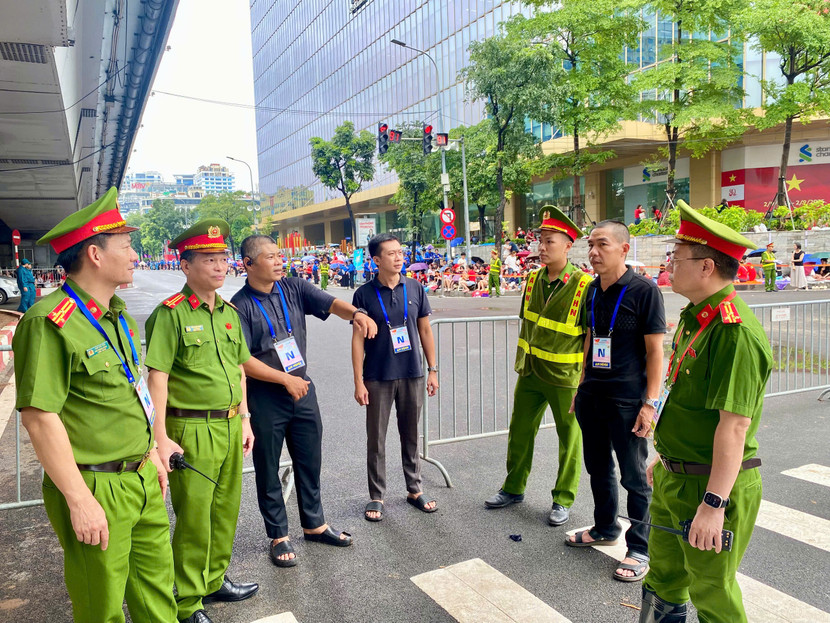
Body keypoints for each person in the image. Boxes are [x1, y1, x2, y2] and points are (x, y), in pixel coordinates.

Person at [14, 187, 178, 622]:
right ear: (95, 254)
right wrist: (79, 499)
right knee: (101, 606)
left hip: (141, 476)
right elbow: (39, 417)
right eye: (126, 246)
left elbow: (131, 391)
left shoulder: (117, 314)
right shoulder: (50, 322)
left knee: (158, 597)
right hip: (96, 485)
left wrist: (153, 453)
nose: (135, 255)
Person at [639, 200, 772, 623]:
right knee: (663, 578)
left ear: (706, 267)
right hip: (676, 476)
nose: (669, 266)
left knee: (712, 592)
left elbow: (734, 428)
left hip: (709, 486)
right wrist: (666, 457)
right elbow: (686, 399)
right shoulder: (698, 318)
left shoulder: (734, 333)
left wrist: (714, 505)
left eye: (676, 258)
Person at [230, 235, 377, 567]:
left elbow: (330, 303)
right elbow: (242, 360)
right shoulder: (240, 306)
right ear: (249, 265)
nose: (280, 261)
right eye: (270, 257)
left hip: (303, 392)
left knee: (309, 460)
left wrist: (356, 314)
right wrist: (284, 380)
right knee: (267, 467)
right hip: (266, 397)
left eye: (280, 255)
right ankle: (278, 535)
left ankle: (315, 524)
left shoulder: (294, 288)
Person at [145, 219, 258, 623]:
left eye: (222, 258)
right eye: (208, 259)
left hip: (229, 425)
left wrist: (244, 418)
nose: (219, 266)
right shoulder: (170, 315)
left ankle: (214, 580)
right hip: (191, 429)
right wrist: (160, 437)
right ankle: (188, 601)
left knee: (225, 509)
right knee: (194, 517)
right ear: (186, 266)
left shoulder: (228, 313)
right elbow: (157, 377)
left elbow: (239, 369)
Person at [566, 220, 666, 583]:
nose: (593, 252)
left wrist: (650, 403)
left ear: (624, 249)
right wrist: (581, 385)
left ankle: (640, 547)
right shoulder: (591, 290)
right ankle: (605, 526)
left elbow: (656, 352)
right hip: (593, 395)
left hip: (628, 400)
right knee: (598, 468)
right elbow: (590, 339)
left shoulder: (644, 291)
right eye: (590, 245)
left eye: (602, 245)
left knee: (635, 477)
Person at [484, 207, 592, 527]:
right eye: (540, 241)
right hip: (530, 371)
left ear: (568, 245)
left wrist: (586, 380)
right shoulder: (532, 280)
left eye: (550, 241)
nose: (542, 248)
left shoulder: (584, 286)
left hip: (565, 378)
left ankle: (563, 499)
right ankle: (514, 487)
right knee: (520, 432)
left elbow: (589, 336)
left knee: (569, 441)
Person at [351, 233, 439, 522]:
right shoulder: (363, 294)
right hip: (378, 375)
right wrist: (358, 381)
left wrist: (433, 370)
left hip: (413, 372)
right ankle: (376, 496)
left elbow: (425, 330)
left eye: (400, 252)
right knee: (376, 438)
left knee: (411, 434)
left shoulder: (414, 288)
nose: (399, 257)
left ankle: (415, 489)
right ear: (376, 260)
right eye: (391, 253)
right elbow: (357, 340)